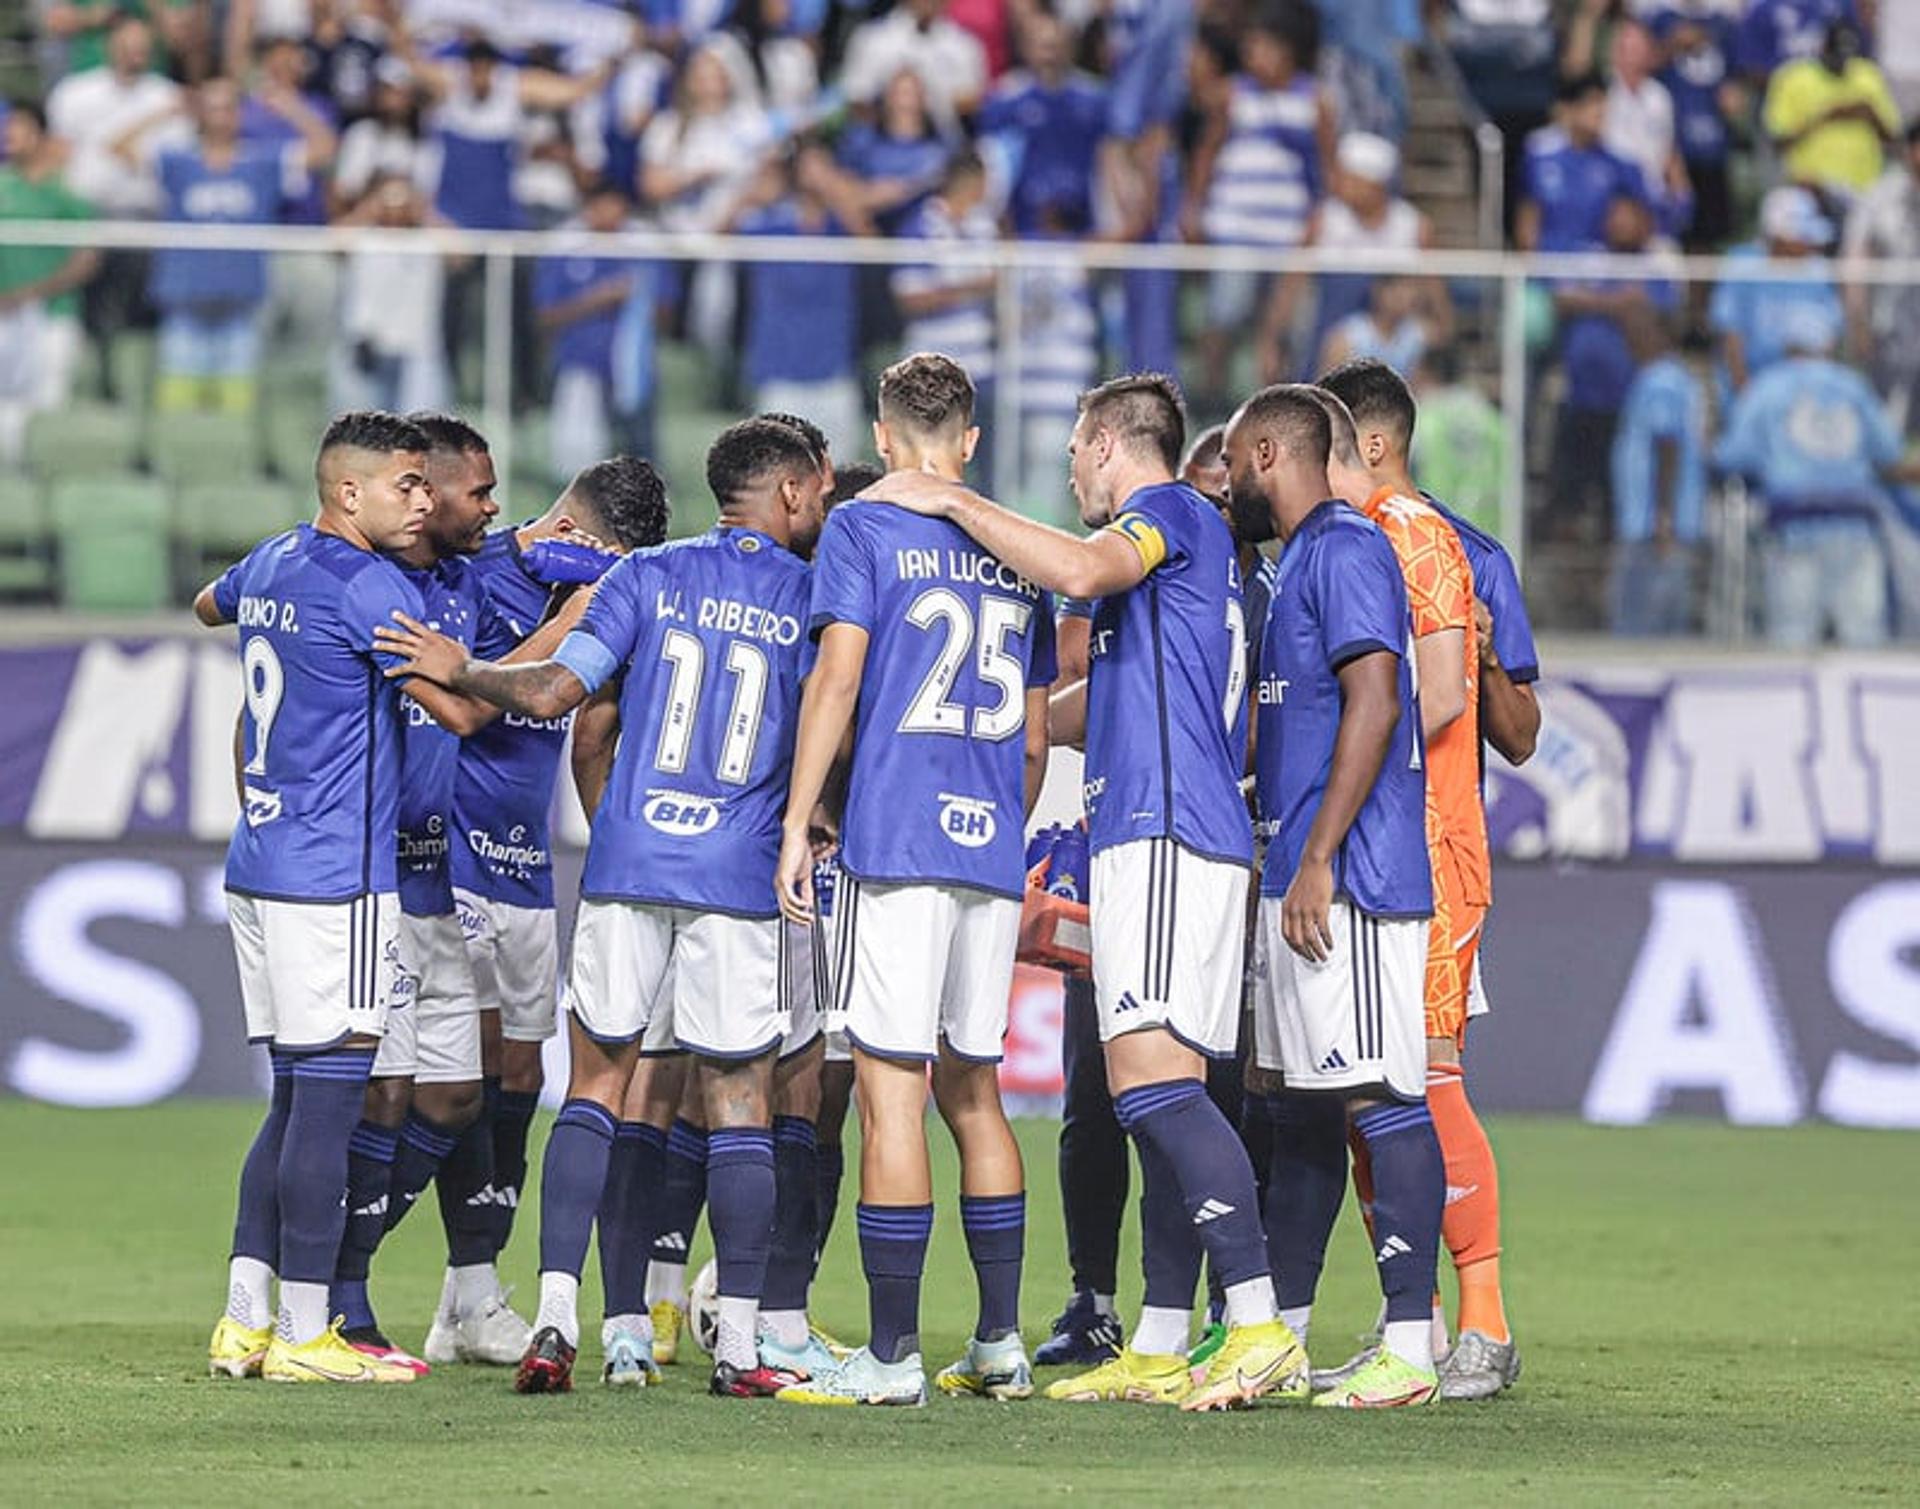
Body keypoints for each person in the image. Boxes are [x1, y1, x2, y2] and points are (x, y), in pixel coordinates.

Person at [857, 372, 1304, 1413]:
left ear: (1108, 444)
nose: (1070, 474)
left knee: (1149, 1087)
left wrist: (948, 497)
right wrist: (1016, 721)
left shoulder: (1164, 515)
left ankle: (1257, 1322)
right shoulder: (1199, 564)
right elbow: (1103, 696)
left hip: (1163, 830)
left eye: (1071, 454)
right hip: (1188, 830)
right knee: (1163, 1094)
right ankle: (1156, 1339)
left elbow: (1086, 565)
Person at [376, 418, 828, 1399]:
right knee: (741, 1100)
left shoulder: (645, 577)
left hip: (629, 863)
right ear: (790, 494)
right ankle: (743, 1349)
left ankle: (553, 1323)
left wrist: (462, 667)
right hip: (737, 873)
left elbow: (551, 696)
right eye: (821, 490)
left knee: (594, 1087)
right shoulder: (817, 597)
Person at [766, 354, 1049, 1410]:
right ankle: (999, 1344)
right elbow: (1027, 738)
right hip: (988, 853)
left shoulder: (862, 528)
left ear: (883, 440)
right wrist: (999, 837)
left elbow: (837, 674)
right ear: (967, 441)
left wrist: (798, 821)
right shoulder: (1016, 543)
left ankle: (889, 1358)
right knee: (976, 1094)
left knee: (891, 1095)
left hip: (895, 846)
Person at [196, 410, 434, 1386]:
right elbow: (459, 697)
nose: (421, 502)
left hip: (259, 860)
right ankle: (306, 1332)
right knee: (329, 1109)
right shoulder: (372, 586)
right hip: (335, 877)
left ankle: (244, 1321)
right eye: (406, 485)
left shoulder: (273, 559)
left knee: (294, 1101)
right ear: (350, 492)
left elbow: (209, 605)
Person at [1222, 382, 1445, 1409]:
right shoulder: (1297, 564)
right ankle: (1285, 1340)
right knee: (1306, 1110)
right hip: (1303, 870)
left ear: (1267, 452)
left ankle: (1410, 1345)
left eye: (1231, 463)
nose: (1226, 484)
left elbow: (1378, 696)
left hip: (1349, 878)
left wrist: (1318, 856)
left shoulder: (1348, 546)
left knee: (1379, 1097)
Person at [424, 454, 671, 1370]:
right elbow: (463, 704)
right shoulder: (474, 575)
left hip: (529, 862)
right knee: (465, 1071)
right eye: (607, 555)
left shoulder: (612, 592)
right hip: (456, 846)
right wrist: (568, 624)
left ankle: (468, 1300)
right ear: (573, 533)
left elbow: (591, 726)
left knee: (524, 1076)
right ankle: (435, 1280)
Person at [1317, 360, 1518, 1400]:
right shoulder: (1344, 541)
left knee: (1431, 1078)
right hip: (1368, 847)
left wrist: (1339, 771)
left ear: (1370, 444)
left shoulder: (1419, 538)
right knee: (1367, 1092)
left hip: (1430, 846)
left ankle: (1485, 1320)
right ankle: (1418, 1326)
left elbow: (1442, 696)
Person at [1715, 327, 1920, 647]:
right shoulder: (1852, 385)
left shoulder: (1768, 386)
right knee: (1864, 637)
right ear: (1828, 345)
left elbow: (1733, 456)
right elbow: (1889, 451)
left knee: (1792, 636)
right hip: (1854, 528)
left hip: (1794, 529)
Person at [130, 76, 316, 414]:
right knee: (178, 408)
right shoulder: (178, 162)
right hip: (184, 301)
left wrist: (291, 109)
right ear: (200, 113)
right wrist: (166, 111)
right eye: (211, 106)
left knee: (236, 410)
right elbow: (117, 148)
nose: (220, 115)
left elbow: (326, 150)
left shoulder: (262, 162)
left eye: (228, 107)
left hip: (241, 304)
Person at [1184, 0, 1332, 404]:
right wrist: (1194, 207)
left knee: (1283, 326)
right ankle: (1208, 398)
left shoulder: (1315, 100)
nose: (1254, 56)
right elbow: (1206, 154)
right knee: (1225, 312)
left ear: (1288, 51)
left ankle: (1277, 404)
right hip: (1235, 227)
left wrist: (1317, 219)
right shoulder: (1232, 94)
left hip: (1288, 231)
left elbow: (1325, 168)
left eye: (1263, 47)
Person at [726, 143, 874, 459]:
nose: (815, 178)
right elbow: (714, 242)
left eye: (823, 168)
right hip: (781, 373)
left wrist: (836, 190)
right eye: (809, 169)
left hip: (834, 372)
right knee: (779, 479)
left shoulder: (841, 228)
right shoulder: (770, 226)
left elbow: (874, 247)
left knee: (840, 477)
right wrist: (749, 194)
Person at [1259, 130, 1438, 387]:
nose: (1338, 184)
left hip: (1397, 352)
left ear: (1375, 185)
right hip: (1325, 343)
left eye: (1350, 179)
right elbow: (1289, 289)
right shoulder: (1323, 222)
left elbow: (1434, 300)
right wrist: (1271, 342)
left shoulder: (1413, 227)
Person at [533, 180, 657, 482]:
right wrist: (598, 298)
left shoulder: (642, 246)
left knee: (638, 457)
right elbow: (545, 315)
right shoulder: (565, 245)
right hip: (580, 360)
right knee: (578, 457)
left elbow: (666, 310)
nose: (610, 213)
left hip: (632, 367)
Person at [0, 102, 99, 464]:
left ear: (41, 136)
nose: (9, 135)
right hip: (3, 315)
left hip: (52, 314)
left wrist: (32, 293)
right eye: (7, 128)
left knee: (48, 400)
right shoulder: (2, 184)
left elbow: (87, 257)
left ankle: (45, 475)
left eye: (19, 128)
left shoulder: (66, 190)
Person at [1609, 310, 1709, 635]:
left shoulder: (1660, 381)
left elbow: (1668, 445)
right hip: (1663, 521)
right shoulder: (1678, 379)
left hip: (1653, 527)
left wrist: (1663, 515)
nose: (1628, 339)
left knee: (1643, 625)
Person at [977, 10, 1108, 240]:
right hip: (1023, 227)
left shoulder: (1095, 99)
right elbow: (993, 166)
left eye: (1057, 46)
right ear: (1025, 49)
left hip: (1082, 226)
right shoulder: (1005, 98)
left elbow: (1108, 161)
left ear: (1071, 49)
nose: (1051, 55)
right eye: (1043, 46)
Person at [1709, 184, 1845, 395]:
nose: (1810, 244)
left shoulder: (1818, 270)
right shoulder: (1741, 266)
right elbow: (1731, 341)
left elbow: (1828, 342)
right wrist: (1751, 401)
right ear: (1779, 235)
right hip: (1747, 393)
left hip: (1804, 396)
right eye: (1803, 236)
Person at [1764, 18, 1900, 198]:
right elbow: (1778, 142)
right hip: (1810, 188)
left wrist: (1870, 114)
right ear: (1822, 48)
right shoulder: (1792, 77)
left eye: (1846, 56)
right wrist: (1825, 117)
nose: (1841, 62)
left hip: (1865, 187)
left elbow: (1894, 139)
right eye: (1836, 54)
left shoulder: (1868, 74)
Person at [1516, 70, 1651, 252]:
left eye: (1603, 102)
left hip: (1602, 269)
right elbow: (1528, 221)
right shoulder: (1540, 158)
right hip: (1550, 266)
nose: (1600, 110)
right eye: (1592, 102)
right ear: (1570, 109)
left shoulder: (1622, 163)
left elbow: (1640, 225)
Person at [1842, 118, 1920, 432]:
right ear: (1908, 151)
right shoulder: (1879, 198)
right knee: (1888, 421)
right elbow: (1855, 263)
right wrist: (1858, 323)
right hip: (1889, 331)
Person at [839, 0, 989, 126]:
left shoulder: (965, 46)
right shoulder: (872, 39)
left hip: (947, 147)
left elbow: (972, 106)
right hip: (883, 147)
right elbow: (858, 101)